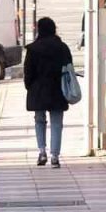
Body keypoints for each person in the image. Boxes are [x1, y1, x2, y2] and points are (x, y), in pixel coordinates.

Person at [24, 17, 73, 168]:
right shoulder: (62, 47)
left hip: (38, 90)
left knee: (39, 120)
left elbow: (28, 72)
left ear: (39, 29)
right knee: (57, 123)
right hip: (57, 89)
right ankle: (55, 157)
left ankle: (42, 152)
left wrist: (29, 87)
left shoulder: (33, 49)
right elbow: (69, 68)